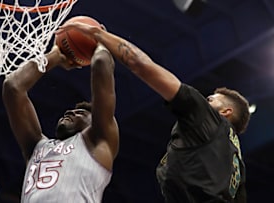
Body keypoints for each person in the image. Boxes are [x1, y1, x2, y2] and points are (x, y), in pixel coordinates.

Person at [58, 23, 251, 202]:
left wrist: (99, 35)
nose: (205, 101)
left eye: (210, 100)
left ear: (226, 112)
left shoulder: (208, 117)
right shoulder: (236, 163)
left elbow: (140, 64)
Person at [2, 43, 119, 202]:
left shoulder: (98, 141)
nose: (69, 112)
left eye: (80, 113)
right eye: (70, 111)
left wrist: (97, 42)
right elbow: (13, 87)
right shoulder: (37, 147)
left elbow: (100, 64)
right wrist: (56, 55)